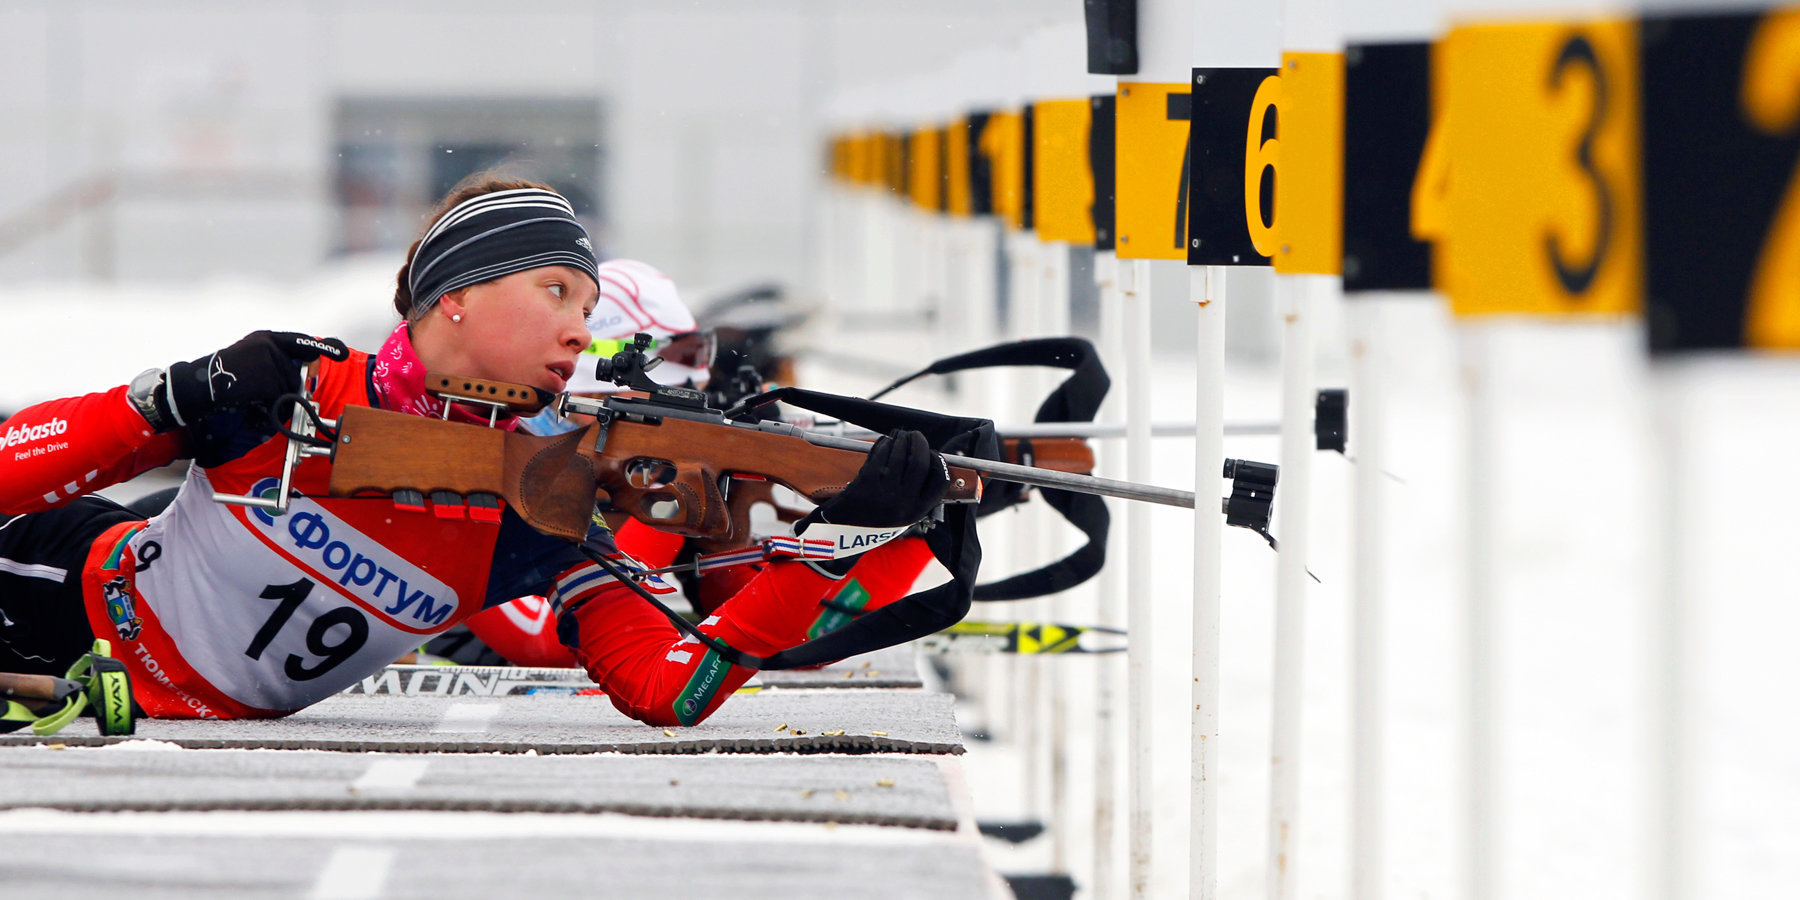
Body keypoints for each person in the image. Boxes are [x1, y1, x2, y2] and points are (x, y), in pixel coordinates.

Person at [0, 173, 949, 727]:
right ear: (456, 294)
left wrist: (846, 546)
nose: (580, 330)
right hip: (56, 592)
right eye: (553, 292)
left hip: (138, 703)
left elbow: (673, 690)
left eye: (588, 306)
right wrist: (158, 401)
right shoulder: (302, 385)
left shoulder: (552, 496)